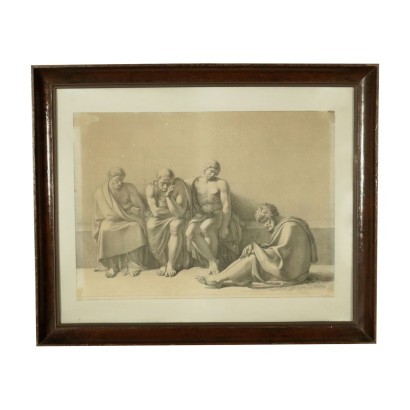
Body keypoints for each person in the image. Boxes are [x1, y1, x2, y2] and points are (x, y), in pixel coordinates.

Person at [196, 203, 318, 288]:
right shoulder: (285, 225)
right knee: (252, 254)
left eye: (265, 221)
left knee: (253, 257)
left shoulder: (291, 226)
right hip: (285, 265)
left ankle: (218, 279)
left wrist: (257, 248)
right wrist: (257, 247)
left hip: (292, 272)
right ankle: (218, 277)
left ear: (271, 216)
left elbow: (283, 253)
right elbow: (277, 249)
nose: (265, 226)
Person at [186, 160, 242, 275]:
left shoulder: (221, 183)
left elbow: (226, 205)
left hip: (217, 214)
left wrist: (224, 226)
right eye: (210, 168)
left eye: (216, 169)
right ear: (204, 169)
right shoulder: (195, 182)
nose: (213, 171)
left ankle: (212, 263)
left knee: (205, 227)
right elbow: (179, 184)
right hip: (201, 214)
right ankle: (213, 260)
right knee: (189, 233)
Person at [93, 167, 148, 278]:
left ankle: (133, 265)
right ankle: (112, 266)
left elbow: (140, 207)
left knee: (136, 226)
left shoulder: (129, 187)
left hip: (129, 219)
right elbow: (108, 214)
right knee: (106, 229)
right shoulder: (101, 192)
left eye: (121, 180)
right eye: (116, 181)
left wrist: (132, 211)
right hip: (111, 221)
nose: (119, 183)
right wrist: (129, 210)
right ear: (110, 178)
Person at [146, 168, 192, 277]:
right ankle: (162, 263)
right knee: (151, 226)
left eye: (168, 183)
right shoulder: (151, 188)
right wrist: (177, 212)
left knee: (176, 226)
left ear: (173, 180)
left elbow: (181, 212)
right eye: (162, 183)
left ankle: (171, 264)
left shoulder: (179, 186)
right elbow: (155, 212)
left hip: (175, 217)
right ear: (157, 180)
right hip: (162, 216)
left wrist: (169, 197)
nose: (165, 186)